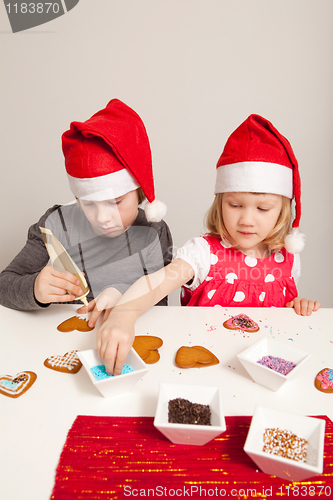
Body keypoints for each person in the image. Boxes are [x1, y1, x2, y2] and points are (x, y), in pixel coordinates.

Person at [96, 114, 321, 375]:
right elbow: (158, 283)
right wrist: (124, 313)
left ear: (282, 211)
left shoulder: (288, 258)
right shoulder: (202, 254)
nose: (246, 219)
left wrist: (296, 307)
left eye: (262, 208)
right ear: (220, 203)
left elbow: (281, 320)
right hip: (206, 370)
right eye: (234, 205)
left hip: (263, 374)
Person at [0, 99, 172, 325]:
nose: (102, 218)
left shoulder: (153, 231)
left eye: (116, 202)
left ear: (138, 191)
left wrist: (126, 299)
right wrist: (35, 290)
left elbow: (160, 304)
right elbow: (5, 285)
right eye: (89, 204)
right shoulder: (56, 225)